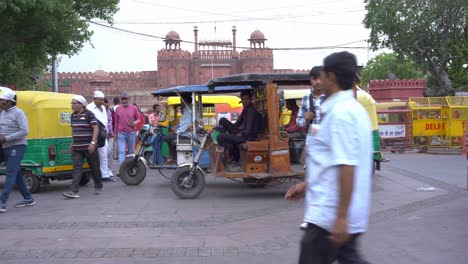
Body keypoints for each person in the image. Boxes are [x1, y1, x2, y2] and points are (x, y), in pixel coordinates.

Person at [285, 51, 373, 264]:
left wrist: (341, 218)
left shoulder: (341, 113)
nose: (319, 79)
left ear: (331, 76)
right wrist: (307, 184)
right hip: (338, 213)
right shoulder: (349, 109)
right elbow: (332, 163)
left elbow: (347, 166)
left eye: (322, 74)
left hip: (330, 215)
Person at [297, 65, 326, 229]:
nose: (318, 82)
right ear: (311, 80)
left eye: (321, 78)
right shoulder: (306, 99)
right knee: (310, 180)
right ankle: (310, 219)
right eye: (315, 78)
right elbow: (299, 122)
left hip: (329, 144)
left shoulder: (331, 98)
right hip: (313, 143)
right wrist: (306, 118)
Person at [0, 90, 36, 212]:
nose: (0, 102)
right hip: (5, 147)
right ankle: (28, 198)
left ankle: (2, 202)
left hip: (17, 146)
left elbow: (25, 130)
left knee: (10, 173)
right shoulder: (2, 113)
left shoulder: (19, 113)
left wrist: (7, 138)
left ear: (10, 102)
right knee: (16, 174)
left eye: (2, 100)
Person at [63, 95, 103, 199]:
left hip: (89, 146)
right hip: (77, 147)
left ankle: (98, 186)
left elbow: (96, 128)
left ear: (82, 104)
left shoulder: (89, 114)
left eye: (75, 103)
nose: (72, 105)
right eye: (72, 103)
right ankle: (73, 191)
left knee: (94, 166)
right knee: (77, 168)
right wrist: (73, 142)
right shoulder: (73, 116)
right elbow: (74, 130)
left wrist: (93, 143)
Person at [217, 90, 260, 169]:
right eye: (243, 99)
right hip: (242, 133)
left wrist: (238, 134)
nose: (245, 101)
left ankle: (230, 157)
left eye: (247, 99)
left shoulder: (251, 111)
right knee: (222, 120)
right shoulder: (246, 109)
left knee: (220, 137)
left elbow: (249, 130)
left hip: (247, 136)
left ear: (250, 100)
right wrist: (227, 129)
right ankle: (230, 148)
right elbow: (237, 124)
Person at [86, 91, 113, 182]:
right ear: (95, 99)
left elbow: (105, 121)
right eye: (100, 100)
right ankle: (96, 176)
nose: (102, 101)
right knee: (94, 157)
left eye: (103, 100)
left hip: (103, 135)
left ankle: (104, 175)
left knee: (104, 154)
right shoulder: (89, 108)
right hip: (93, 135)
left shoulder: (103, 108)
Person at [163, 94, 193, 162]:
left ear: (184, 101)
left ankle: (173, 157)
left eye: (181, 101)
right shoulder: (188, 108)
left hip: (187, 134)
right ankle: (174, 156)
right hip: (184, 132)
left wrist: (178, 131)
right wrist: (175, 127)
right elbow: (183, 123)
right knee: (170, 139)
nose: (180, 103)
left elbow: (188, 124)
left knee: (166, 137)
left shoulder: (187, 109)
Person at [114, 93, 141, 165]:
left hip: (131, 132)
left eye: (125, 99)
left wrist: (135, 122)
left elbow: (139, 119)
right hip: (121, 133)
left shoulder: (134, 108)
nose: (124, 101)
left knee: (131, 152)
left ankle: (130, 168)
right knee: (121, 151)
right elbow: (116, 122)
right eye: (123, 99)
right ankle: (122, 169)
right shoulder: (118, 108)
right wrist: (115, 133)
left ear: (129, 99)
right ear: (121, 100)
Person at [284, 99, 307, 164]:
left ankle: (294, 158)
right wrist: (283, 127)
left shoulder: (299, 112)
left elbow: (297, 126)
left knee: (285, 137)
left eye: (287, 104)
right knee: (283, 135)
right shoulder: (293, 112)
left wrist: (286, 130)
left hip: (301, 133)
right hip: (295, 131)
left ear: (292, 104)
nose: (286, 106)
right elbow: (290, 123)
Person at [103, 98, 116, 177]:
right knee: (103, 154)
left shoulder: (111, 111)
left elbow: (115, 122)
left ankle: (109, 169)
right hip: (101, 136)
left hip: (110, 135)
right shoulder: (97, 112)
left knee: (109, 152)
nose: (104, 105)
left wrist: (115, 133)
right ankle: (104, 170)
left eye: (105, 103)